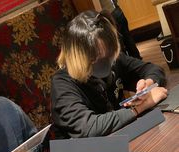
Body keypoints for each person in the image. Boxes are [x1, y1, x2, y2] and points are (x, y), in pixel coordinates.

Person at [51, 10, 167, 139]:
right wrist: (141, 106)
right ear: (77, 56)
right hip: (81, 151)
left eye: (107, 55)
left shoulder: (112, 59)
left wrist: (148, 84)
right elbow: (89, 127)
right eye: (95, 57)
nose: (104, 61)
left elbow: (153, 69)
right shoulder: (62, 83)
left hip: (118, 137)